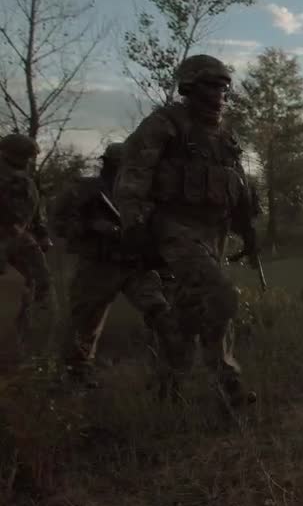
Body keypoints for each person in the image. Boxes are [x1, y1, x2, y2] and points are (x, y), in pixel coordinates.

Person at [114, 54, 261, 408]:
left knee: (191, 310)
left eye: (224, 86)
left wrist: (248, 227)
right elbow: (133, 176)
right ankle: (229, 384)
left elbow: (237, 184)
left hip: (214, 231)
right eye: (212, 85)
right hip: (174, 226)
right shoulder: (165, 124)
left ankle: (169, 387)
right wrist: (134, 226)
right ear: (190, 87)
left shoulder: (226, 135)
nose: (220, 93)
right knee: (221, 295)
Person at [50, 142, 180, 389]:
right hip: (98, 267)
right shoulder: (84, 190)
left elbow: (160, 226)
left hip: (136, 266)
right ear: (109, 164)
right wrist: (92, 227)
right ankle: (75, 374)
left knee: (162, 314)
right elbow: (59, 222)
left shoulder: (144, 193)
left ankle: (169, 372)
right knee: (84, 323)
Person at [0, 133, 54, 358]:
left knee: (41, 284)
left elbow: (34, 210)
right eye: (27, 156)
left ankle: (23, 341)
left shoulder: (26, 179)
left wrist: (42, 235)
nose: (30, 160)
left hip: (21, 238)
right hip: (4, 237)